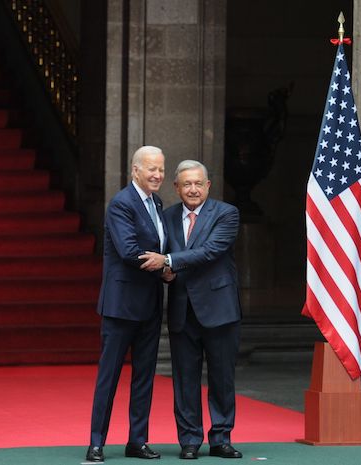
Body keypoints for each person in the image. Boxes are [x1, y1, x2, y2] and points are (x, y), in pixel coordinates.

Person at [139, 160, 243, 460]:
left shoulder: (226, 213)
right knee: (185, 379)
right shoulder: (165, 217)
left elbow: (211, 251)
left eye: (199, 183)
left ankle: (221, 438)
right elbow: (157, 259)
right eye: (187, 184)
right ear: (177, 188)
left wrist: (168, 262)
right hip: (182, 309)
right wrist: (163, 271)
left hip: (220, 309)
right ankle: (189, 440)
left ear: (208, 185)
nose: (193, 189)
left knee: (222, 377)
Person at [86, 146, 168, 462]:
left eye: (161, 169)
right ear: (135, 170)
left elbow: (159, 246)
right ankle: (96, 443)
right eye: (151, 169)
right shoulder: (121, 203)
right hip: (120, 306)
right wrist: (167, 264)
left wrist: (168, 263)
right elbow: (129, 251)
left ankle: (138, 440)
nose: (158, 174)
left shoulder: (157, 203)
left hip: (149, 305)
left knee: (145, 376)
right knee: (109, 376)